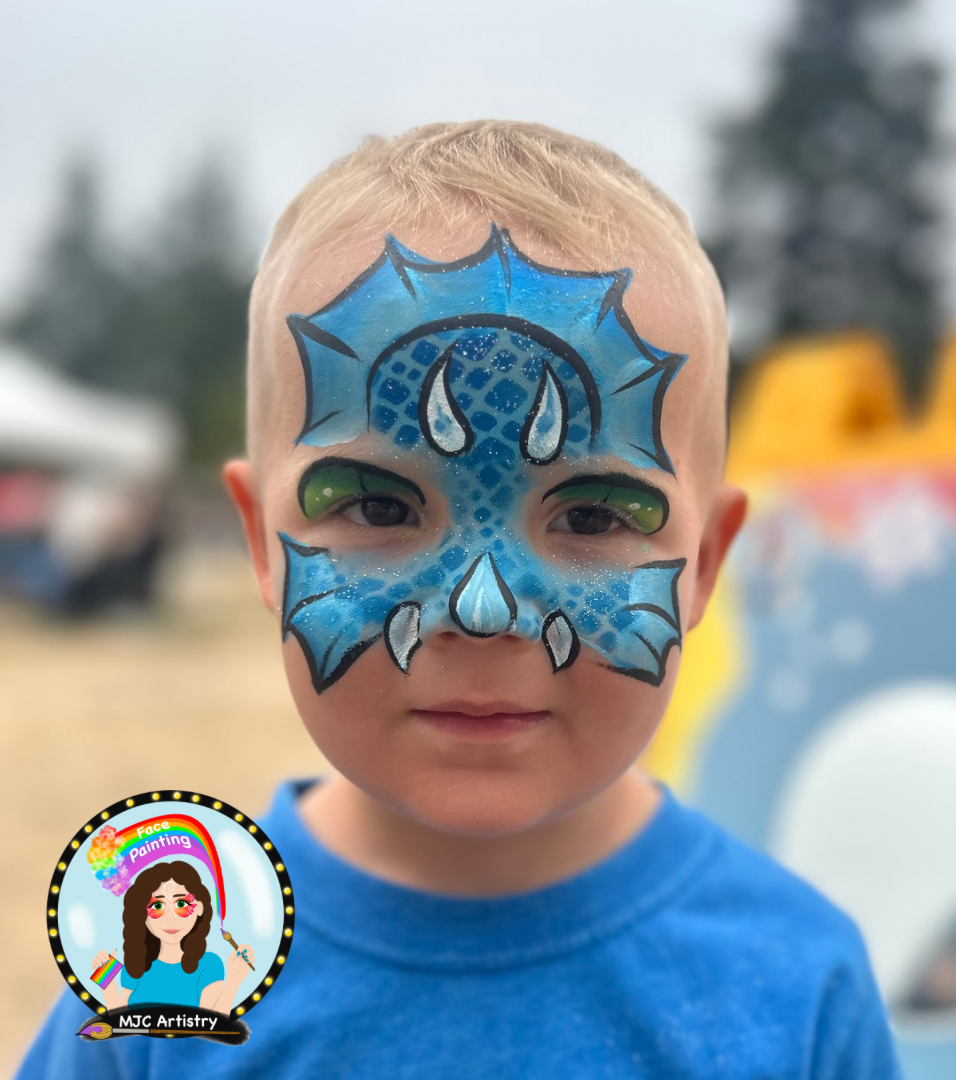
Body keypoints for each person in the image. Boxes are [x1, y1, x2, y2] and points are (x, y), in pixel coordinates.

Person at [16, 120, 904, 1078]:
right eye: (378, 504)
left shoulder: (799, 982)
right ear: (260, 547)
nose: (481, 611)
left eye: (596, 518)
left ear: (706, 564)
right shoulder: (166, 976)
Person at [88, 860, 252, 1014]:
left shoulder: (210, 965)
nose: (171, 918)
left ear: (200, 908)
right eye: (157, 906)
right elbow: (123, 1026)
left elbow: (211, 1027)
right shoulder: (134, 966)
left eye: (181, 904)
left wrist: (234, 981)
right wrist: (106, 981)